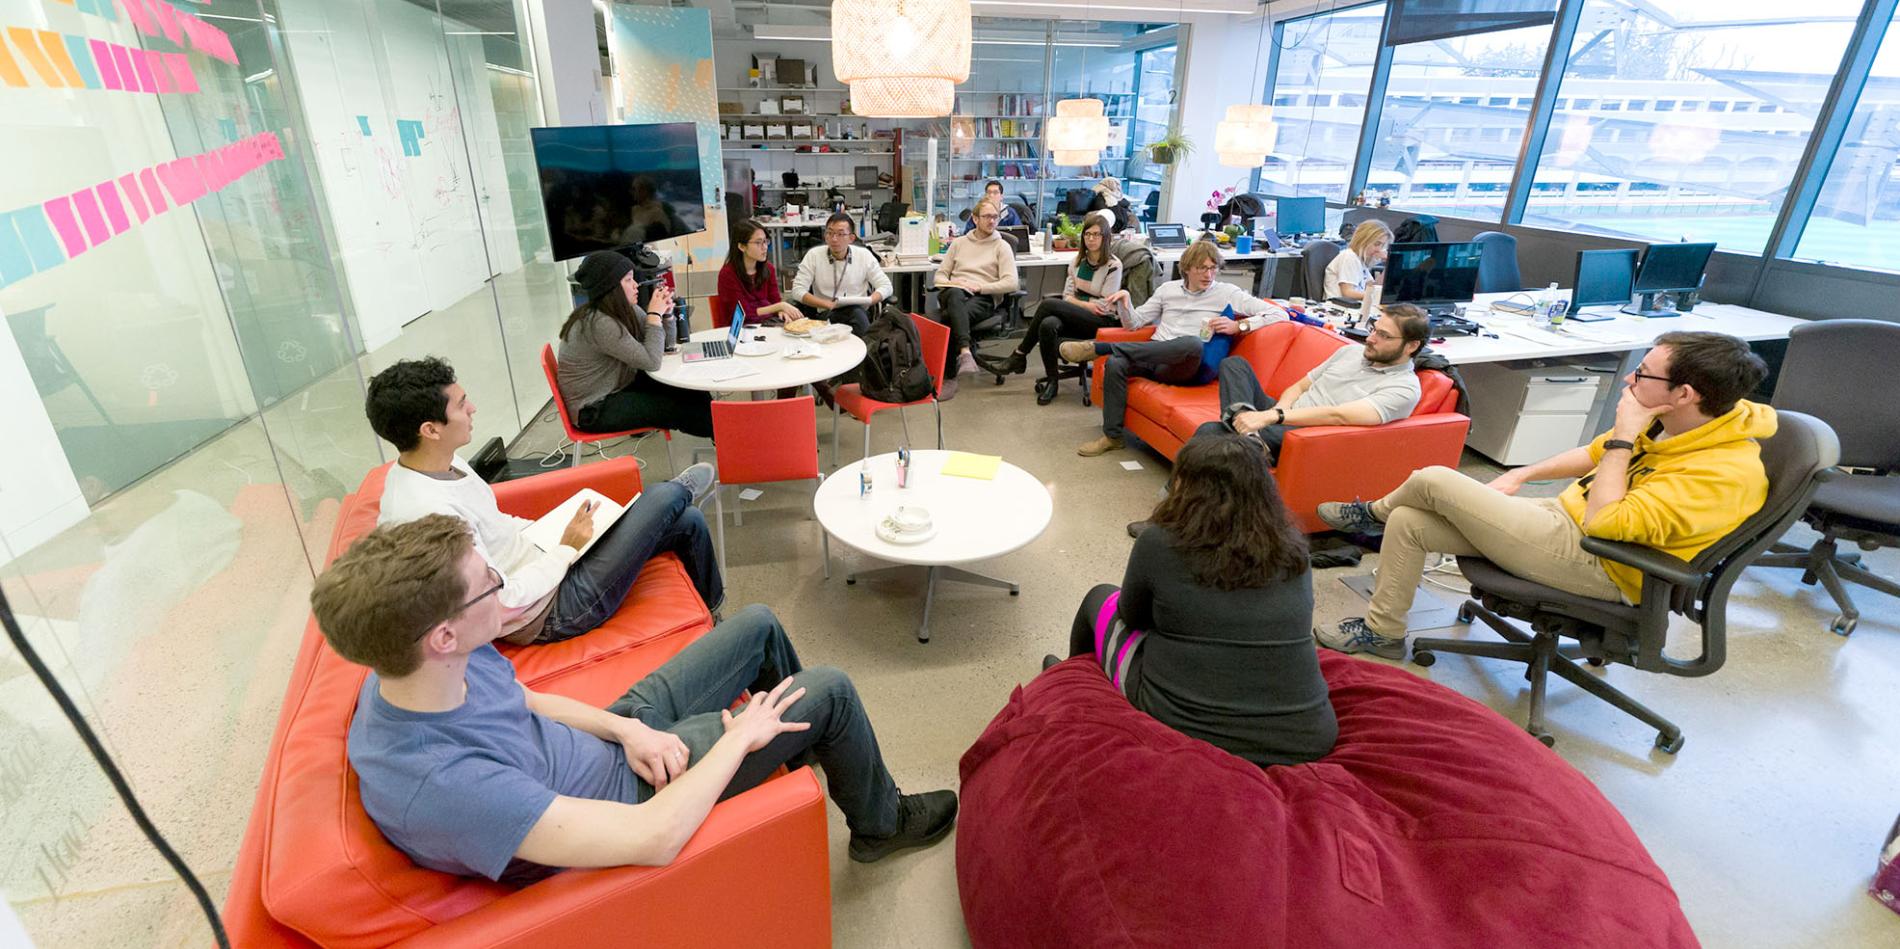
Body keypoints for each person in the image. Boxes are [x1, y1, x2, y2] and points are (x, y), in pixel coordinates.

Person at [314, 515, 957, 884]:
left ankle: (803, 747)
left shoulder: (416, 666)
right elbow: (653, 838)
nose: (502, 587)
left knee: (757, 621)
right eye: (488, 586)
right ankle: (880, 824)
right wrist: (736, 740)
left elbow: (527, 702)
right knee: (834, 690)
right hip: (640, 799)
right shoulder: (443, 786)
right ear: (444, 634)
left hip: (619, 744)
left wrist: (627, 732)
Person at [1313, 331, 1775, 660]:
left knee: (1434, 479)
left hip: (1606, 563)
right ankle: (1383, 632)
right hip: (1562, 522)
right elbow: (1590, 454)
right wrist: (1521, 476)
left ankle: (1369, 512)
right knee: (1411, 522)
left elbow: (1604, 524)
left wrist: (1623, 439)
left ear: (1684, 394)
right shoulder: (1678, 420)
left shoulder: (1722, 472)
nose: (1631, 381)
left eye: (1644, 375)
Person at [366, 356, 721, 646]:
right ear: (430, 429)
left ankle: (712, 609)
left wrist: (551, 532)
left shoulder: (447, 461)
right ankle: (678, 491)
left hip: (544, 566)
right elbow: (500, 603)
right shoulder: (426, 514)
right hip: (548, 614)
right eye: (461, 405)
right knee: (663, 496)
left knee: (686, 521)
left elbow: (498, 526)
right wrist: (565, 550)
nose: (472, 408)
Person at [1060, 435, 1336, 767]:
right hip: (1306, 735)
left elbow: (1131, 617)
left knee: (1099, 598)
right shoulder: (1294, 547)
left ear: (1185, 487)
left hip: (1185, 723)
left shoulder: (1159, 543)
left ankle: (1068, 688)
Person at [1058, 240, 1286, 457]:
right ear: (1187, 269)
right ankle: (1113, 437)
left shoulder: (1226, 292)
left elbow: (1279, 313)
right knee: (1116, 363)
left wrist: (1239, 325)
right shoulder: (1167, 290)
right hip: (1155, 353)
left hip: (1185, 365)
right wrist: (1125, 302)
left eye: (1213, 268)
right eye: (1202, 268)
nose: (1208, 275)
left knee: (1192, 343)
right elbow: (1135, 323)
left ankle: (1102, 348)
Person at [1194, 304, 1429, 464]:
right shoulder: (1351, 352)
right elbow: (1299, 388)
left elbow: (1339, 416)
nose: (1370, 339)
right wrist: (1277, 411)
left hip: (1308, 434)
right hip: (1286, 414)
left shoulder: (1404, 388)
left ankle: (1173, 504)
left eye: (1384, 336)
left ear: (1411, 346)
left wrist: (1274, 417)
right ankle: (1249, 436)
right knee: (1235, 364)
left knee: (1210, 432)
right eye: (1374, 329)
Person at [557, 250, 714, 439]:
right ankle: (727, 440)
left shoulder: (627, 308)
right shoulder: (600, 322)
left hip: (619, 385)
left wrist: (667, 315)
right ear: (611, 287)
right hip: (594, 408)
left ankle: (724, 437)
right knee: (673, 408)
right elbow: (651, 362)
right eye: (628, 280)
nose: (636, 285)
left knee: (691, 389)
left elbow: (664, 345)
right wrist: (654, 316)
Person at [985, 214, 1131, 405]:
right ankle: (1052, 381)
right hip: (1078, 316)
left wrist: (1078, 303)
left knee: (1047, 305)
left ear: (1105, 237)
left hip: (1102, 321)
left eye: (1096, 235)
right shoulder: (1077, 262)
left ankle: (1020, 354)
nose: (1091, 239)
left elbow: (1104, 306)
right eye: (1087, 234)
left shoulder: (1113, 265)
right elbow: (1067, 295)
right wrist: (1085, 303)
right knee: (1048, 323)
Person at [931, 197, 1020, 401]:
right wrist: (958, 284)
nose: (992, 221)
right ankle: (965, 351)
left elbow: (1011, 283)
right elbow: (939, 277)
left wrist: (981, 286)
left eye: (995, 217)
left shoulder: (1002, 246)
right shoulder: (959, 244)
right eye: (987, 216)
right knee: (954, 295)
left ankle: (949, 377)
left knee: (946, 320)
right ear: (975, 218)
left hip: (983, 297)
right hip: (955, 293)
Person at [790, 211, 892, 336]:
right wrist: (825, 304)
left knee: (856, 314)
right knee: (854, 320)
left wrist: (870, 300)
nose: (834, 239)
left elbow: (886, 286)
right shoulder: (814, 255)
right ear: (825, 235)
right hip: (826, 313)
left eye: (840, 234)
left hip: (859, 312)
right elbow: (797, 290)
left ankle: (866, 352)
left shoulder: (864, 255)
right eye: (830, 233)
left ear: (851, 238)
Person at [717, 220, 799, 326]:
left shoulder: (768, 268)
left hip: (767, 326)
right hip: (740, 330)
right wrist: (779, 306)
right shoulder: (727, 274)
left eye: (765, 241)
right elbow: (744, 314)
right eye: (758, 243)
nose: (764, 247)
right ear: (742, 246)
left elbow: (775, 300)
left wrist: (781, 311)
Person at [1326, 220, 1393, 302]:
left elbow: (1373, 287)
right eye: (1377, 244)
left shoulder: (1360, 260)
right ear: (1363, 240)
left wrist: (1389, 265)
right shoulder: (1349, 257)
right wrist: (1376, 297)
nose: (1379, 249)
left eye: (1382, 245)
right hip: (1340, 306)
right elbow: (1347, 293)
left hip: (1355, 305)